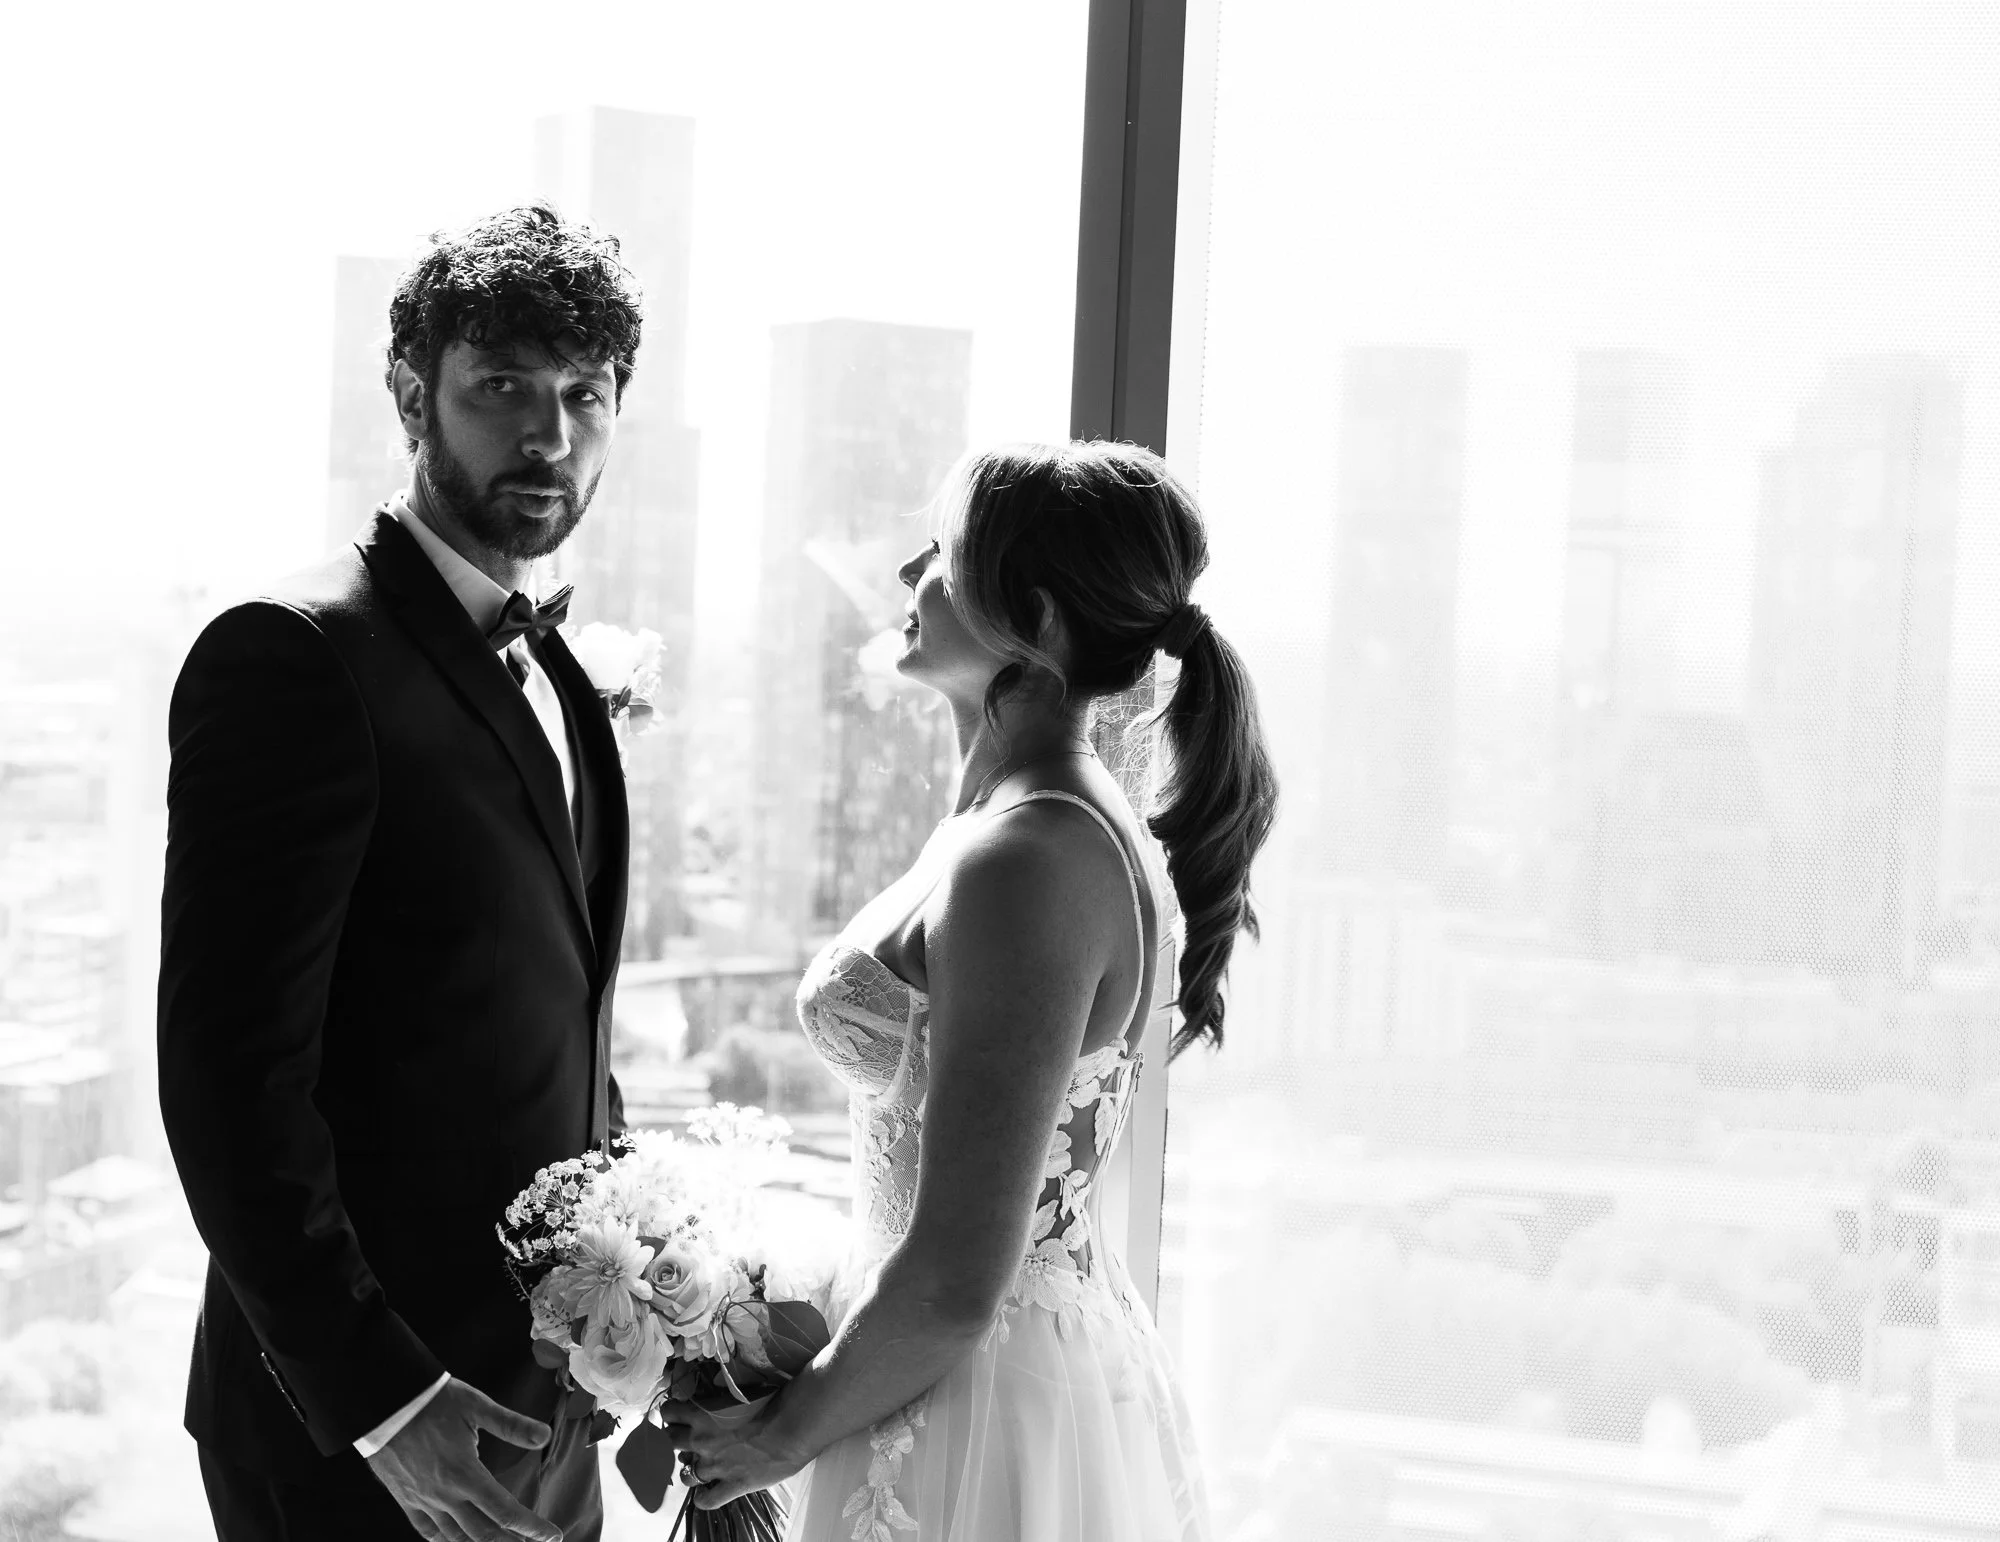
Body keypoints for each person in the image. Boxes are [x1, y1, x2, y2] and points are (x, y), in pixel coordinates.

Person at [663, 441, 1278, 1540]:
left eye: (939, 552)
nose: (908, 575)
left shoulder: (1030, 858)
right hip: (923, 1367)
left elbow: (954, 1270)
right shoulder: (1004, 827)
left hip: (970, 1404)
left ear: (1032, 621)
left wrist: (777, 1434)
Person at [158, 204, 644, 1542]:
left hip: (538, 1411)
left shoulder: (561, 675)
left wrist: (636, 1298)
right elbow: (228, 1078)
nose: (548, 436)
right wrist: (380, 1396)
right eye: (500, 388)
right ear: (408, 393)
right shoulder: (293, 656)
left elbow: (556, 1020)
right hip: (358, 1435)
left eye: (583, 396)